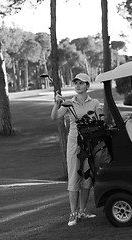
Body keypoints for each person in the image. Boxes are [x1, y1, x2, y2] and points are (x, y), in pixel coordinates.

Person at [51, 73, 100, 226]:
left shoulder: (95, 103)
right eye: (76, 83)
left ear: (87, 86)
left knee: (87, 178)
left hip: (89, 144)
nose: (78, 85)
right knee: (73, 177)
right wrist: (57, 103)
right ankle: (73, 213)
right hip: (74, 144)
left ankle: (83, 211)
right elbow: (54, 116)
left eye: (81, 83)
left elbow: (100, 121)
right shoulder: (68, 103)